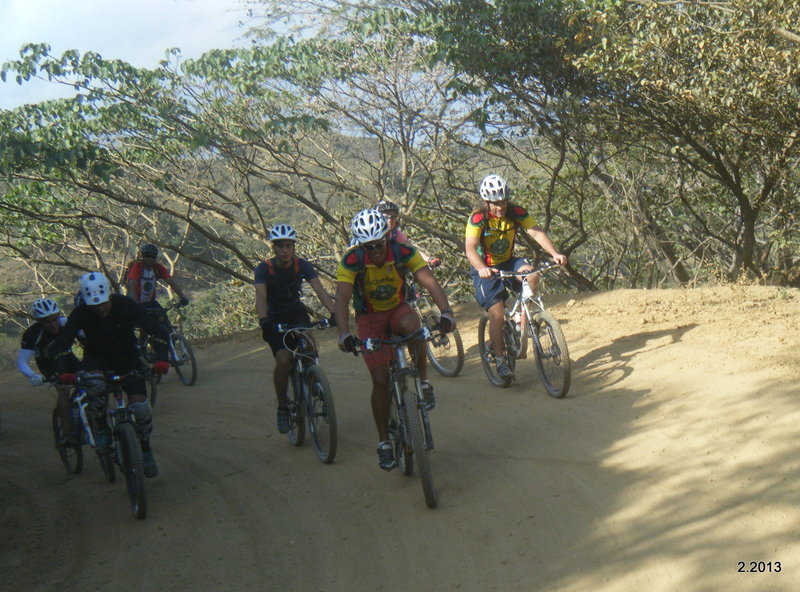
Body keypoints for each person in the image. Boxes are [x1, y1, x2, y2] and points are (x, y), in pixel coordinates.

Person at [335, 208, 456, 471]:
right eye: (369, 246)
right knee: (380, 379)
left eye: (379, 243)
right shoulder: (352, 260)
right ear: (360, 244)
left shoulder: (403, 252)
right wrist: (344, 333)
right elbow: (342, 298)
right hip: (369, 318)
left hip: (397, 309)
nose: (375, 250)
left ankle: (424, 382)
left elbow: (429, 282)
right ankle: (383, 442)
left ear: (387, 237)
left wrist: (446, 312)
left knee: (414, 327)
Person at [52, 272, 171, 477]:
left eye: (103, 304)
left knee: (141, 409)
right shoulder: (81, 313)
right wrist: (64, 372)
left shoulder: (125, 304)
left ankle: (145, 449)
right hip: (97, 359)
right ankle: (102, 429)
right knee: (95, 388)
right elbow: (63, 343)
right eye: (94, 306)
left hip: (128, 358)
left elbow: (155, 329)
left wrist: (162, 359)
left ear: (109, 295)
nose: (100, 309)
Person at [465, 174, 567, 381]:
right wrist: (482, 268)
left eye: (502, 202)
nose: (500, 207)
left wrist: (554, 253)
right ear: (487, 202)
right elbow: (470, 248)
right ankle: (501, 361)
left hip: (508, 261)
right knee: (497, 314)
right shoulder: (478, 218)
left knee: (532, 274)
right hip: (484, 267)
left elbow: (536, 233)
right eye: (495, 204)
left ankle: (522, 320)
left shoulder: (516, 212)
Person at [254, 224, 337, 435]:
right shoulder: (264, 269)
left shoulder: (302, 266)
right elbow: (261, 296)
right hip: (274, 317)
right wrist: (264, 321)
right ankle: (283, 407)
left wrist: (335, 312)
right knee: (283, 360)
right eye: (280, 246)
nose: (285, 250)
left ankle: (314, 380)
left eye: (288, 246)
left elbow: (319, 290)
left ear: (293, 247)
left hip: (295, 312)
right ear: (274, 248)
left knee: (308, 344)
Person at [17, 298, 82, 443]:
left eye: (55, 319)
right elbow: (22, 362)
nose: (53, 324)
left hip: (68, 358)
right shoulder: (32, 334)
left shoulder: (66, 323)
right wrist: (33, 375)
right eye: (47, 321)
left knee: (93, 382)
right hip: (49, 365)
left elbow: (88, 339)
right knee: (64, 390)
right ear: (39, 321)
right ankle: (66, 432)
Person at [126, 242, 190, 330]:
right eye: (147, 256)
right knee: (145, 324)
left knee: (164, 320)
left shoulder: (157, 267)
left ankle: (170, 339)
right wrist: (136, 305)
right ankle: (140, 343)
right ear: (143, 256)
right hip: (136, 302)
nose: (150, 259)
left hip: (150, 302)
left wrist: (182, 296)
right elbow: (131, 286)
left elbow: (171, 282)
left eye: (153, 256)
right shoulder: (137, 267)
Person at [375, 200, 441, 268]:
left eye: (393, 217)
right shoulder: (368, 233)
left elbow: (411, 249)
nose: (390, 220)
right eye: (386, 217)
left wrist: (429, 260)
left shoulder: (395, 234)